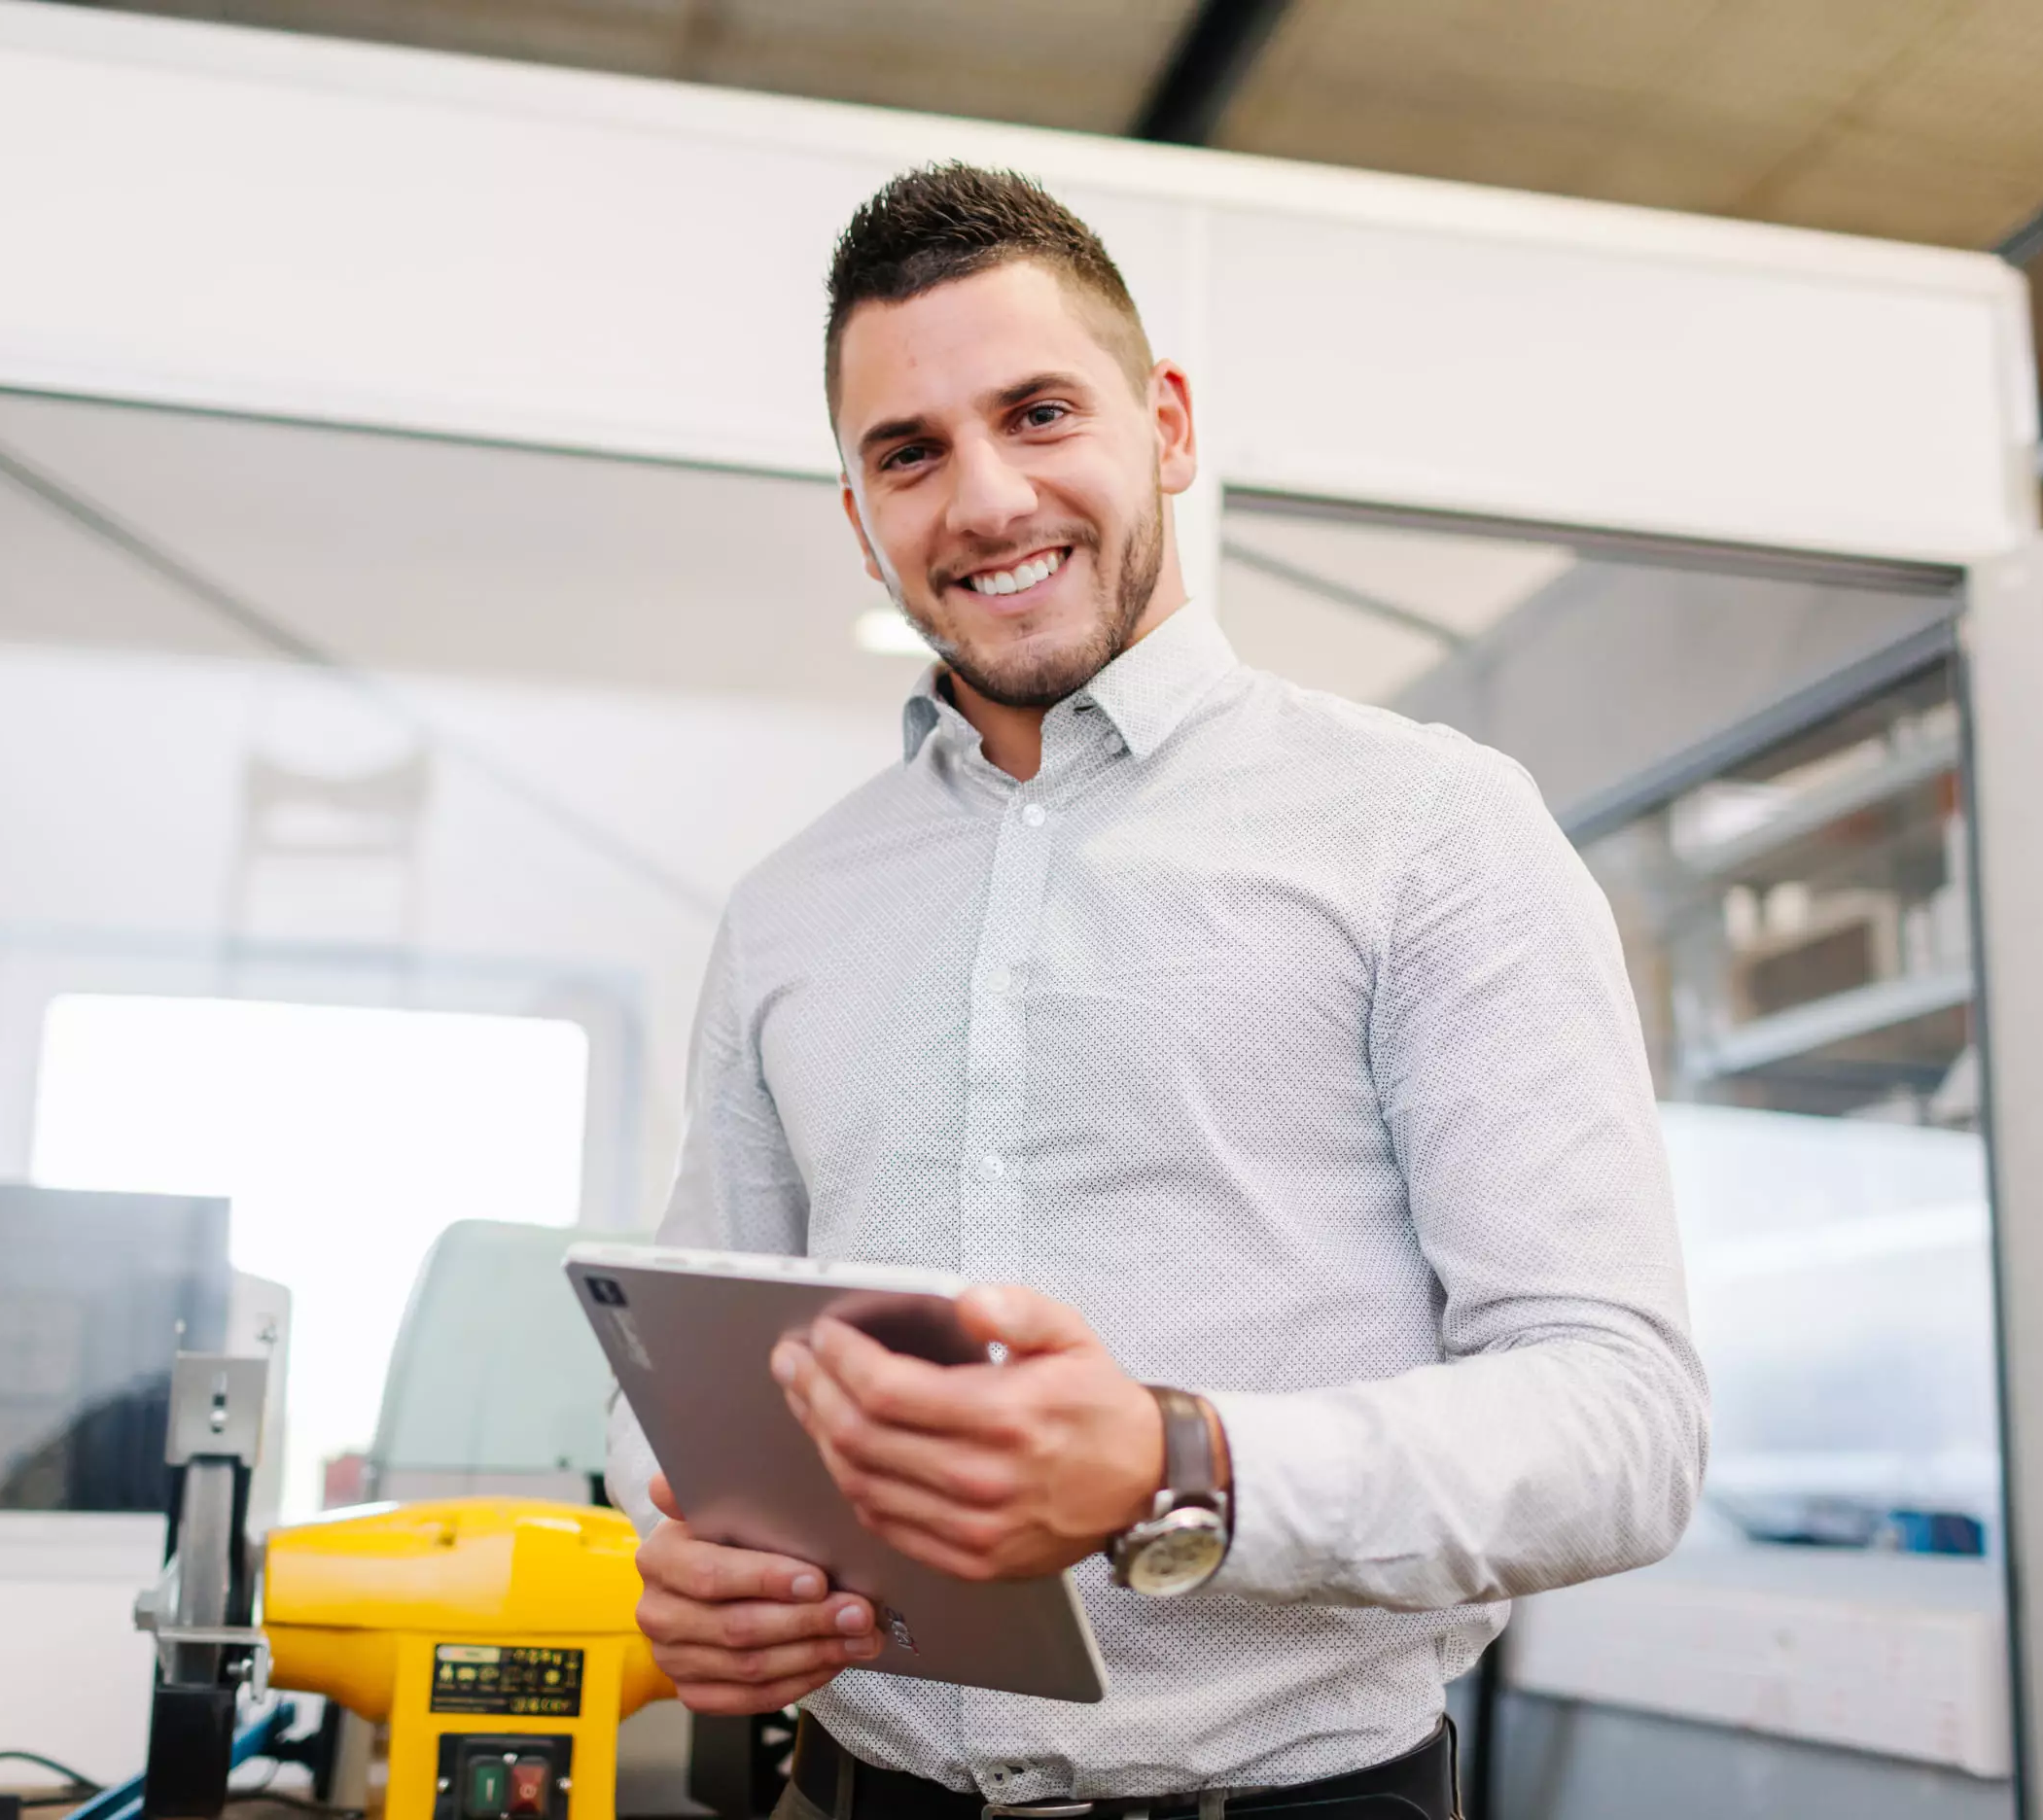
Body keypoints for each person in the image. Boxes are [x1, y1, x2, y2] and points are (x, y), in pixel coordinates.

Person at [604, 163, 1707, 1820]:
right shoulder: (787, 913)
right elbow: (698, 1385)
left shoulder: (1428, 828)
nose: (986, 500)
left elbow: (1623, 1426)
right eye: (910, 452)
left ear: (1168, 427)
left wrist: (1174, 1464)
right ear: (860, 513)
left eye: (1039, 414)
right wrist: (687, 1552)